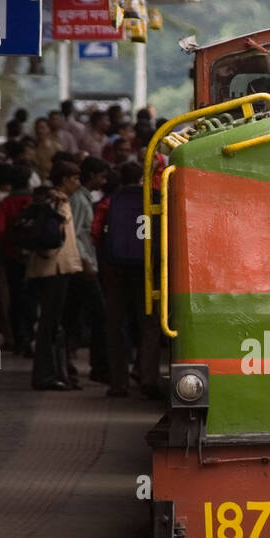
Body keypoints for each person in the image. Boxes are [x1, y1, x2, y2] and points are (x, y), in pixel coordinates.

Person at [99, 161, 161, 398]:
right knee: (150, 325)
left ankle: (118, 383)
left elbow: (98, 233)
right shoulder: (156, 196)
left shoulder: (112, 200)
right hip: (149, 270)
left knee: (115, 325)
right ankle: (149, 380)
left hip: (117, 270)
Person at [27, 160, 86, 390]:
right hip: (53, 268)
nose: (77, 183)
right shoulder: (55, 202)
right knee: (48, 324)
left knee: (53, 323)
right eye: (75, 179)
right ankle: (45, 375)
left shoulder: (57, 200)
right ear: (64, 180)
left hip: (59, 268)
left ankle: (54, 372)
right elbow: (52, 238)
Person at [70, 156, 111, 383]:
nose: (103, 181)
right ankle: (99, 366)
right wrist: (86, 263)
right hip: (82, 266)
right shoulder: (80, 200)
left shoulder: (85, 198)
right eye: (101, 176)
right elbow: (75, 235)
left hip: (84, 265)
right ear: (92, 175)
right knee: (99, 313)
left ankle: (67, 364)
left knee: (74, 315)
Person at [0, 165, 36, 357]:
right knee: (32, 296)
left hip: (11, 255)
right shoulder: (35, 201)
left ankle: (18, 338)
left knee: (15, 296)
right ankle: (31, 335)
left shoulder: (6, 203)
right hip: (33, 256)